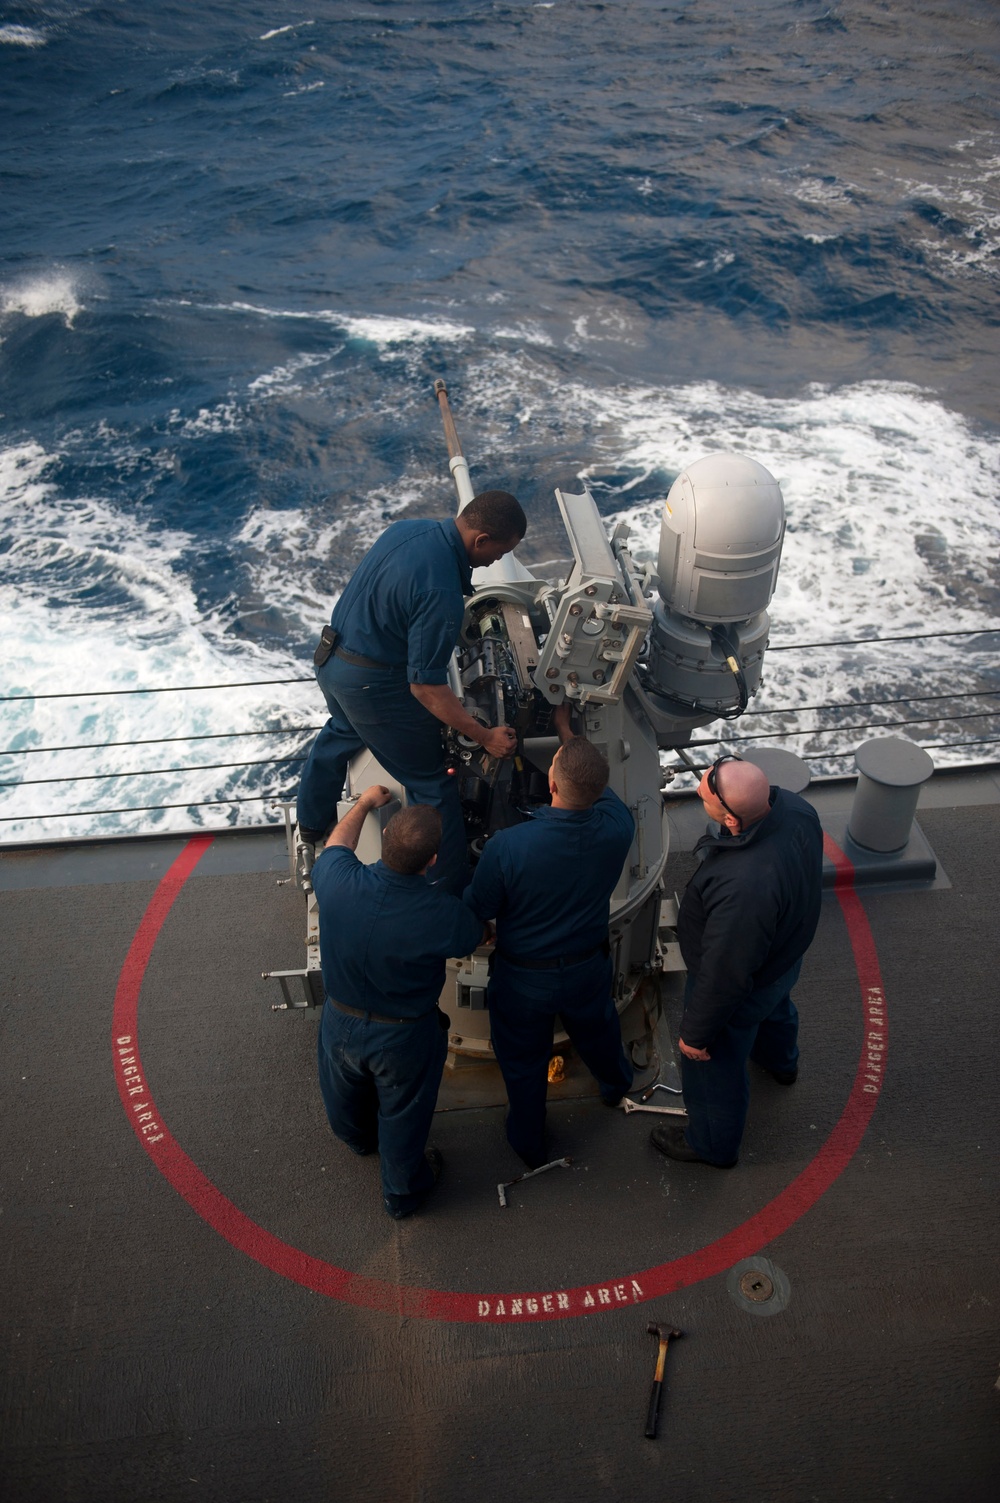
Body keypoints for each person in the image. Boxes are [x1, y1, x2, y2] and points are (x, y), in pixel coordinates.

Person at [295, 491, 527, 895]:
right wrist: (485, 736)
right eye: (497, 553)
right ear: (481, 540)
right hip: (371, 686)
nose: (494, 562)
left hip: (332, 660)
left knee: (342, 732)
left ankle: (312, 823)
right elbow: (425, 688)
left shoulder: (409, 529)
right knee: (433, 785)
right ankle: (446, 891)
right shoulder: (440, 593)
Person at [463, 706, 635, 1168]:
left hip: (524, 979)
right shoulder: (619, 826)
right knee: (599, 1031)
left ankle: (529, 1144)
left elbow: (479, 910)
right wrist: (565, 730)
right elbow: (589, 780)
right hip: (587, 968)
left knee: (523, 1064)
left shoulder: (508, 847)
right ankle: (617, 1085)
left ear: (551, 785)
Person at [313, 786, 486, 1219]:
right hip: (404, 1035)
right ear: (432, 860)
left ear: (387, 834)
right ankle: (402, 1195)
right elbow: (474, 935)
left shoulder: (335, 880)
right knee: (404, 1116)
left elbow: (339, 843)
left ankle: (357, 1140)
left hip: (341, 1021)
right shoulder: (440, 913)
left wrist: (366, 802)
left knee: (343, 1092)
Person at [651, 754, 824, 1170]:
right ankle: (782, 1064)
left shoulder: (744, 885)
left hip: (742, 981)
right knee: (776, 1010)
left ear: (730, 822)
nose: (701, 785)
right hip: (783, 956)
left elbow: (725, 973)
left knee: (714, 1069)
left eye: (708, 791)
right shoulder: (798, 811)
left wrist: (696, 1034)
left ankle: (712, 1144)